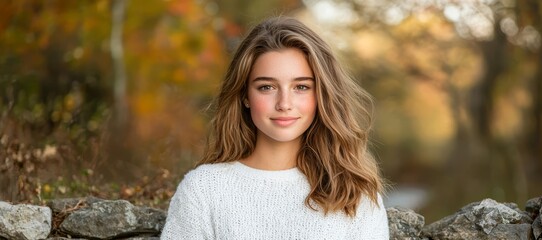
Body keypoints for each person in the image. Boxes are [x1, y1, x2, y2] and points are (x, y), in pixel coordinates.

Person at [161, 16, 388, 239]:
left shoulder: (354, 194)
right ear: (245, 95)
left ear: (321, 94)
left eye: (301, 87)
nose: (284, 104)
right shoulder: (203, 189)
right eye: (267, 87)